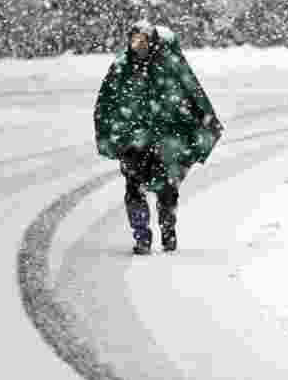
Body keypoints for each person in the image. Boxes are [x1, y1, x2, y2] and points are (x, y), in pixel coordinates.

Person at [94, 20, 224, 254]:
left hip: (167, 138)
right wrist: (109, 130)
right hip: (133, 139)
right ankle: (142, 237)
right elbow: (107, 100)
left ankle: (168, 233)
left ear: (152, 40)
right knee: (134, 187)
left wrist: (204, 120)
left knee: (167, 189)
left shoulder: (170, 64)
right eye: (135, 40)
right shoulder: (122, 65)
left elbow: (192, 93)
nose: (139, 45)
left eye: (143, 40)